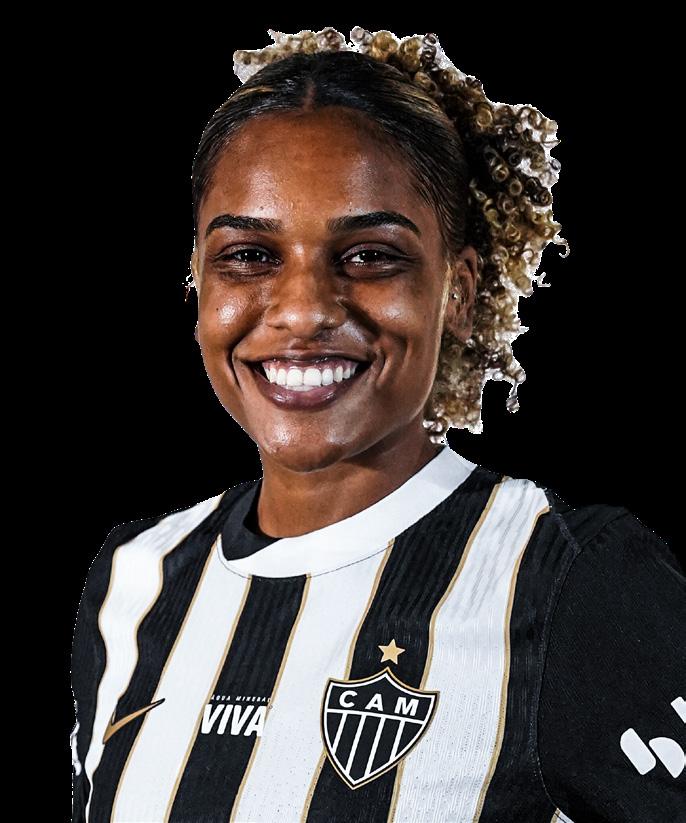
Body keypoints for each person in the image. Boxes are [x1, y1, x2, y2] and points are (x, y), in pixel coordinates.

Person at [69, 27, 684, 823]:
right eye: (250, 255)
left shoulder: (572, 581)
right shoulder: (133, 579)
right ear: (196, 280)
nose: (303, 310)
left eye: (368, 255)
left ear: (458, 291)